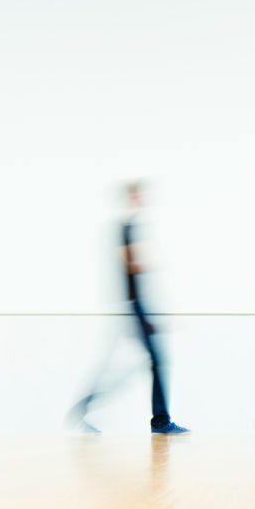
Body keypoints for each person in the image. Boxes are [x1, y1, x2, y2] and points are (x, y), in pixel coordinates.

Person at [68, 182, 189, 435]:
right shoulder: (125, 228)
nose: (141, 200)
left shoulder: (132, 228)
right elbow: (130, 264)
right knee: (155, 361)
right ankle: (158, 420)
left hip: (139, 307)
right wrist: (147, 260)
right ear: (131, 198)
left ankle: (87, 408)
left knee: (146, 363)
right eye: (137, 195)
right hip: (134, 307)